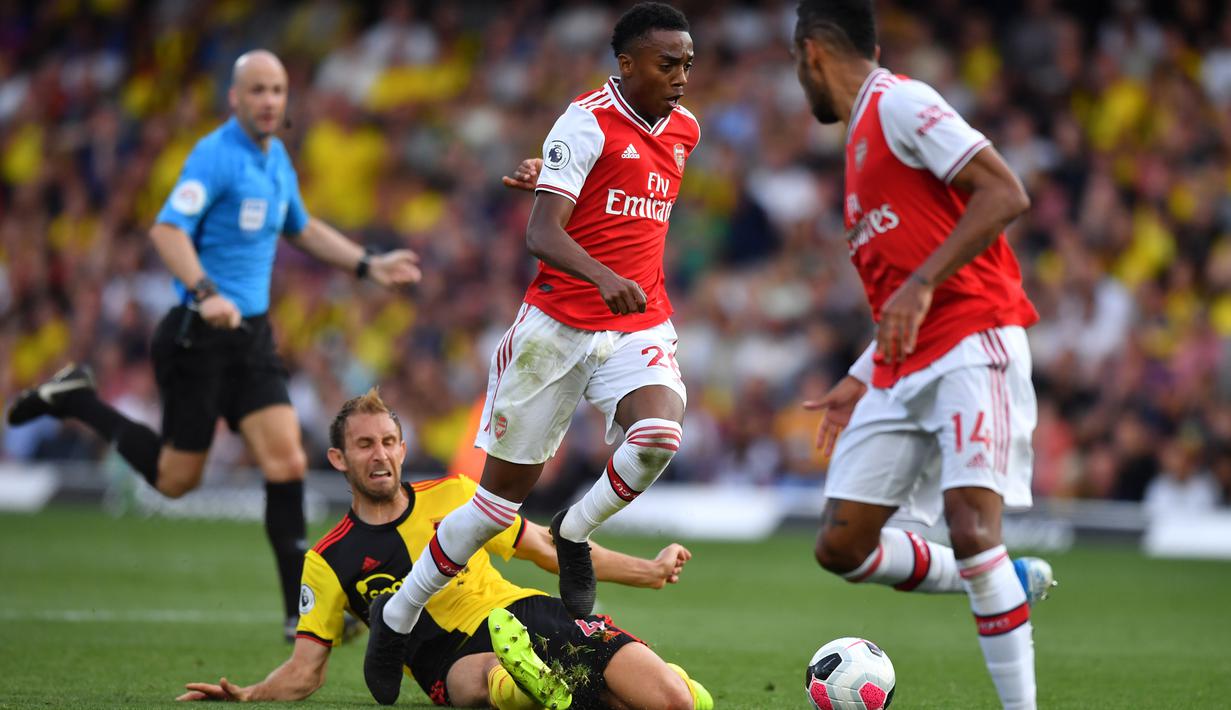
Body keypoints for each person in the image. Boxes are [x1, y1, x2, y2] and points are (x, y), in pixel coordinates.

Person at [5, 50, 421, 641]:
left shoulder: (276, 159)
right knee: (177, 480)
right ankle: (77, 399)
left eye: (277, 89)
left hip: (250, 337)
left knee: (286, 461)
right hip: (198, 336)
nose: (269, 100)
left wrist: (368, 264)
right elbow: (166, 229)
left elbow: (300, 226)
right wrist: (205, 292)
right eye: (257, 90)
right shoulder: (214, 156)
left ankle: (297, 613)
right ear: (235, 98)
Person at [364, 3, 700, 704]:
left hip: (636, 323)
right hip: (555, 329)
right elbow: (541, 233)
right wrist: (599, 267)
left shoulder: (684, 130)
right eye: (667, 64)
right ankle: (396, 617)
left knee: (659, 436)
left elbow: (613, 197)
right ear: (627, 64)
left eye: (687, 64)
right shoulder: (583, 121)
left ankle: (572, 533)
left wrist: (561, 178)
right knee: (493, 507)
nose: (680, 77)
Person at [790, 2, 1055, 709]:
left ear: (811, 53)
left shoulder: (899, 103)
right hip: (901, 367)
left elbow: (1005, 193)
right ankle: (1001, 581)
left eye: (797, 66)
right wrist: (858, 375)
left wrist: (923, 281)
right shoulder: (856, 145)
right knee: (841, 547)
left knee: (972, 529)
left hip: (973, 338)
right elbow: (898, 293)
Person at [176, 389, 712, 710]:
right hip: (447, 658)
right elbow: (306, 669)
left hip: (523, 610)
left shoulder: (455, 495)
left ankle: (596, 682)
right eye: (365, 445)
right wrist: (248, 694)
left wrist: (649, 571)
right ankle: (529, 679)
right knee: (483, 680)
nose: (380, 455)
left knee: (673, 702)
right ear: (339, 459)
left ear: (403, 449)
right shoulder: (328, 559)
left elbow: (548, 548)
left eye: (388, 442)